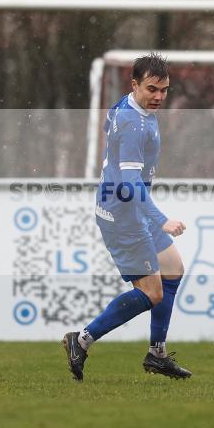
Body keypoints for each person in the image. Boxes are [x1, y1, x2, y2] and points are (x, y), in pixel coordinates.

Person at [63, 53, 192, 382]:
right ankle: (81, 340)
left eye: (164, 90)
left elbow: (111, 127)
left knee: (173, 268)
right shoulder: (134, 123)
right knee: (152, 292)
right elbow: (131, 183)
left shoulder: (129, 106)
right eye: (152, 89)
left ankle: (157, 355)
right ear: (134, 84)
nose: (159, 97)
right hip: (123, 212)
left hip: (131, 206)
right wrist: (161, 219)